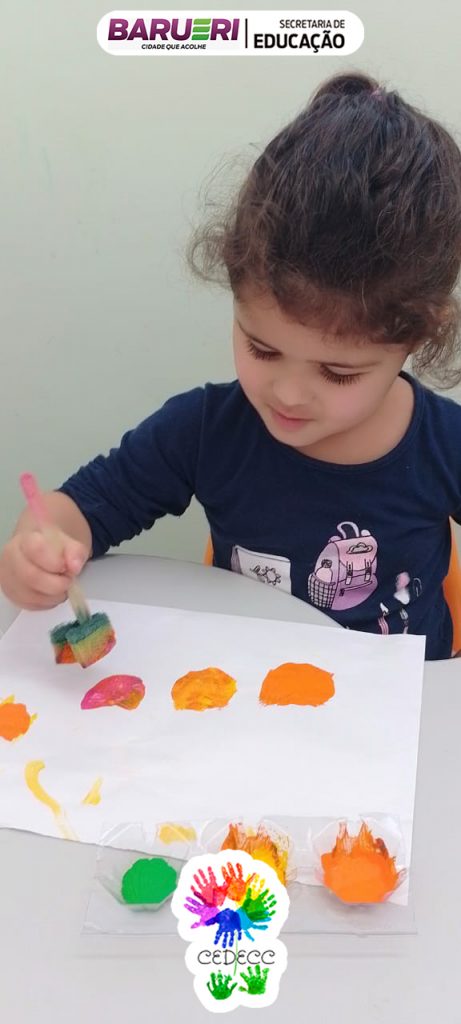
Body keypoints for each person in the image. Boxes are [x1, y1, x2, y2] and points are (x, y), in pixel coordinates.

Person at [2, 71, 461, 660]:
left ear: (417, 336)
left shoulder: (445, 445)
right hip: (244, 692)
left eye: (338, 373)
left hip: (406, 701)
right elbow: (80, 510)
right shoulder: (204, 430)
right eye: (262, 349)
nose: (288, 394)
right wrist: (38, 550)